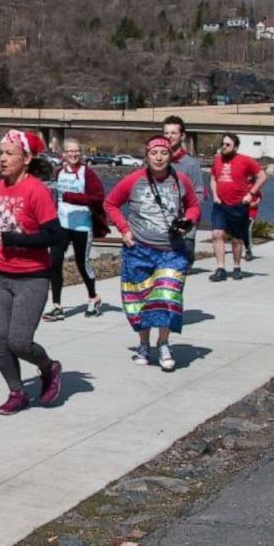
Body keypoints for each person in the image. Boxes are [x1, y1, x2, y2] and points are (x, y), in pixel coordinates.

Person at [0, 129, 62, 414]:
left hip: (32, 277)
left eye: (10, 153)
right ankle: (17, 392)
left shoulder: (37, 191)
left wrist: (15, 240)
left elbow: (53, 235)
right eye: (1, 153)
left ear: (26, 158)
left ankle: (49, 367)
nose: (2, 159)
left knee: (19, 342)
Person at [105, 136, 201, 372]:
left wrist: (189, 220)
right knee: (140, 301)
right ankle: (144, 344)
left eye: (164, 153)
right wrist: (124, 230)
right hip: (138, 250)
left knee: (167, 298)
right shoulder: (133, 180)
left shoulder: (181, 181)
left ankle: (164, 343)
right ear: (146, 156)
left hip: (171, 250)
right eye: (154, 153)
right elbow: (111, 204)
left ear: (170, 156)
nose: (159, 157)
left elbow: (194, 204)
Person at [42, 138, 107, 321]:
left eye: (76, 151)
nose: (73, 154)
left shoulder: (88, 173)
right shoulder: (59, 172)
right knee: (54, 262)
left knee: (82, 263)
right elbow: (58, 197)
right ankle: (57, 306)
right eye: (70, 151)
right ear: (64, 154)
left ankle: (93, 298)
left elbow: (98, 197)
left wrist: (75, 198)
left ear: (81, 153)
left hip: (82, 226)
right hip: (62, 225)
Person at [208, 133, 267, 281]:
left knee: (237, 239)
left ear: (235, 147)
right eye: (223, 144)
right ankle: (220, 268)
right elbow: (213, 179)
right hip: (220, 204)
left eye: (228, 144)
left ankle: (236, 266)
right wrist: (215, 195)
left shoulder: (245, 160)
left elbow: (262, 176)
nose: (224, 147)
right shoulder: (217, 161)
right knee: (216, 234)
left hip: (238, 205)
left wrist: (250, 194)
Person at [163, 115, 206, 265]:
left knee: (184, 258)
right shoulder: (156, 161)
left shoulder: (191, 164)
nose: (169, 137)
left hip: (185, 220)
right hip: (162, 220)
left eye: (173, 133)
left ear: (182, 136)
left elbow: (198, 194)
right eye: (166, 133)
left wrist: (189, 220)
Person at [243, 190, 262, 261]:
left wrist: (256, 203)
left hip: (252, 212)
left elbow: (259, 196)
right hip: (241, 211)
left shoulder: (254, 186)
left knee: (248, 229)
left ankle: (248, 250)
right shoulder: (241, 183)